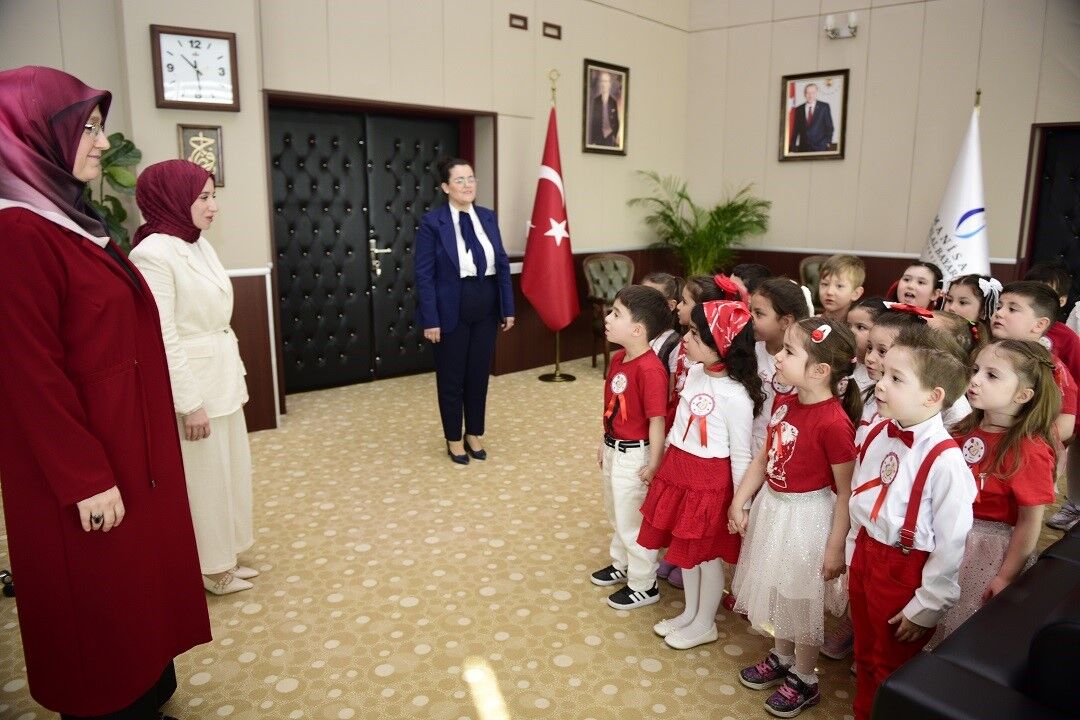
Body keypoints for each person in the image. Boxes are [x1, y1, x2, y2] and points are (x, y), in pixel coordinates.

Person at [0, 66, 210, 719]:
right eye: (87, 129)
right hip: (82, 456)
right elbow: (27, 373)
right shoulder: (17, 232)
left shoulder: (69, 219)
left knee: (135, 586)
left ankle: (148, 694)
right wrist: (84, 477)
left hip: (122, 436)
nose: (101, 142)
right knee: (99, 600)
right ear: (32, 136)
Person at [128, 160, 256, 596]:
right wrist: (190, 403)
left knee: (230, 470)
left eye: (212, 195)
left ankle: (228, 553)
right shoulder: (153, 253)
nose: (213, 206)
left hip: (222, 374)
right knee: (204, 479)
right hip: (194, 385)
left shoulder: (197, 243)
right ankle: (212, 569)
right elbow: (162, 336)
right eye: (203, 197)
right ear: (172, 198)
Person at [729, 318, 861, 718]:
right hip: (774, 509)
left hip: (808, 519)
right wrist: (740, 500)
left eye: (789, 351)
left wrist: (835, 546)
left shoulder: (834, 423)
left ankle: (805, 677)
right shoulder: (785, 403)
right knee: (778, 588)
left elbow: (845, 492)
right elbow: (763, 458)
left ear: (819, 370)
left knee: (801, 598)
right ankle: (782, 656)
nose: (779, 357)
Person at [847, 327, 975, 720]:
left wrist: (928, 604)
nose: (881, 384)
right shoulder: (878, 431)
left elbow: (952, 542)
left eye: (896, 378)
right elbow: (860, 497)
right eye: (883, 373)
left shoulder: (946, 461)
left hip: (904, 570)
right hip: (867, 555)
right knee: (864, 653)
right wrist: (853, 554)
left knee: (891, 666)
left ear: (933, 397)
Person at [639, 301, 763, 649]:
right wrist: (661, 464)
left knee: (706, 559)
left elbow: (741, 454)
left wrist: (740, 504)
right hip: (679, 472)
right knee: (687, 556)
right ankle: (690, 613)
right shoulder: (694, 373)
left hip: (708, 484)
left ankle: (705, 623)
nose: (685, 339)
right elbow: (679, 427)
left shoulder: (736, 396)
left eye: (695, 334)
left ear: (720, 343)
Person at [927, 340, 1058, 647]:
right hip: (946, 535)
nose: (974, 380)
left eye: (991, 375)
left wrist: (1006, 576)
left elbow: (1029, 522)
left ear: (1023, 395)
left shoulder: (1029, 451)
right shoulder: (961, 431)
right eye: (975, 370)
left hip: (985, 549)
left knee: (964, 622)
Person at [415, 158, 514, 464]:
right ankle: (453, 438)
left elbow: (501, 263)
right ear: (445, 187)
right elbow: (424, 275)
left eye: (471, 178)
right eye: (459, 180)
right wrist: (430, 319)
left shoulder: (487, 217)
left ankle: (473, 432)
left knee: (478, 375)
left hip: (485, 304)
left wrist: (507, 307)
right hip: (450, 308)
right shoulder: (433, 222)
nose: (467, 185)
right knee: (451, 377)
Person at [589, 286, 671, 610]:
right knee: (615, 512)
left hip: (635, 456)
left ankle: (644, 584)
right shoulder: (619, 358)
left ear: (637, 330)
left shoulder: (651, 369)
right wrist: (604, 441)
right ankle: (621, 564)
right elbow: (612, 407)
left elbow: (656, 421)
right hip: (614, 448)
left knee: (632, 522)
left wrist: (654, 464)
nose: (607, 318)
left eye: (616, 314)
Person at [990, 281, 1077, 445]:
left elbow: (1065, 425)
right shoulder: (986, 353)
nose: (999, 313)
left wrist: (1026, 443)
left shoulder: (1053, 368)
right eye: (999, 307)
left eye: (1012, 309)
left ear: (1039, 324)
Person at [749, 278, 811, 454]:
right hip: (748, 438)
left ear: (785, 322)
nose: (750, 318)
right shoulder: (750, 350)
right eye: (750, 310)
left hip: (785, 444)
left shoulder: (803, 361)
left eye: (759, 314)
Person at [641, 272, 684, 374]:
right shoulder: (638, 331)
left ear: (670, 306)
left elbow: (673, 380)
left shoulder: (673, 343)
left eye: (649, 298)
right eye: (640, 296)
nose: (640, 302)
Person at [817, 254, 865, 323]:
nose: (829, 292)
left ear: (856, 293)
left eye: (839, 286)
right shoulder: (814, 322)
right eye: (825, 284)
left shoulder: (857, 327)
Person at [789, 83, 834, 153]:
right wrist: (792, 148)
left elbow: (829, 127)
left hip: (820, 148)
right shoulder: (799, 109)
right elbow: (795, 130)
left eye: (813, 93)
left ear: (816, 93)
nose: (810, 95)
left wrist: (827, 143)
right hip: (803, 149)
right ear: (805, 94)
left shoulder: (824, 107)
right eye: (808, 93)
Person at [587, 71, 620, 147]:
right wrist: (593, 141)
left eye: (606, 81)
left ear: (609, 84)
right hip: (598, 138)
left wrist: (614, 136)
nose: (604, 84)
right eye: (602, 81)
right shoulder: (596, 101)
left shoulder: (613, 101)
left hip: (610, 137)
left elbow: (616, 121)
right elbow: (593, 122)